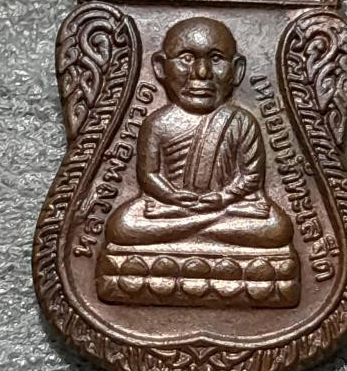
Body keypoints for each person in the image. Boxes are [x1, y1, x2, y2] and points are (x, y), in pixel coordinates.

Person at [105, 17, 293, 248]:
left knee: (277, 227)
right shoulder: (157, 123)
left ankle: (195, 228)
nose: (202, 73)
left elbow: (251, 177)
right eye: (186, 58)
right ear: (160, 67)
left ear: (237, 70)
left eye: (216, 59)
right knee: (124, 224)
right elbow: (150, 175)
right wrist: (172, 195)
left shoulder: (241, 121)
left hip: (228, 207)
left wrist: (223, 197)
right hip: (173, 207)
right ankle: (207, 227)